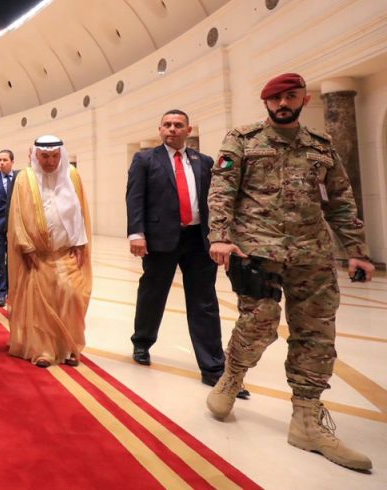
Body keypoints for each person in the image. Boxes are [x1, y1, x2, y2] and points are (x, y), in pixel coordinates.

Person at [205, 73, 375, 471]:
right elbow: (222, 191)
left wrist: (356, 251)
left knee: (316, 333)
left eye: (291, 96)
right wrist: (220, 236)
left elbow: (340, 200)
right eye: (276, 98)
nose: (283, 103)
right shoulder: (242, 140)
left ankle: (307, 418)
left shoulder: (321, 146)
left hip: (312, 253)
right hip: (257, 249)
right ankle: (233, 375)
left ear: (304, 99)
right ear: (266, 102)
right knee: (260, 322)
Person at [126, 110, 248, 398]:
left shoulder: (203, 161)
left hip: (198, 240)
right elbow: (135, 197)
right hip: (160, 239)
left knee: (204, 302)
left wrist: (221, 235)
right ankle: (142, 342)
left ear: (188, 130)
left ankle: (213, 368)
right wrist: (136, 233)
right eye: (167, 125)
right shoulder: (145, 159)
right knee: (152, 293)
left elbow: (215, 200)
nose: (172, 129)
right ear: (160, 129)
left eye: (178, 125)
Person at [7, 135, 91, 368]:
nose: (50, 162)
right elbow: (17, 215)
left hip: (66, 252)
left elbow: (80, 212)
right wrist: (26, 245)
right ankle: (43, 349)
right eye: (44, 156)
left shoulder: (72, 176)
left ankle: (70, 346)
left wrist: (80, 242)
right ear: (36, 155)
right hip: (38, 254)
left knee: (72, 295)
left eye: (55, 156)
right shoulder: (25, 178)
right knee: (41, 303)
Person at [0, 149, 18, 307]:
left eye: (5, 160)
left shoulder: (20, 177)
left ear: (12, 162)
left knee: (13, 259)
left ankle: (13, 291)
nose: (1, 163)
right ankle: (1, 293)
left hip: (15, 225)